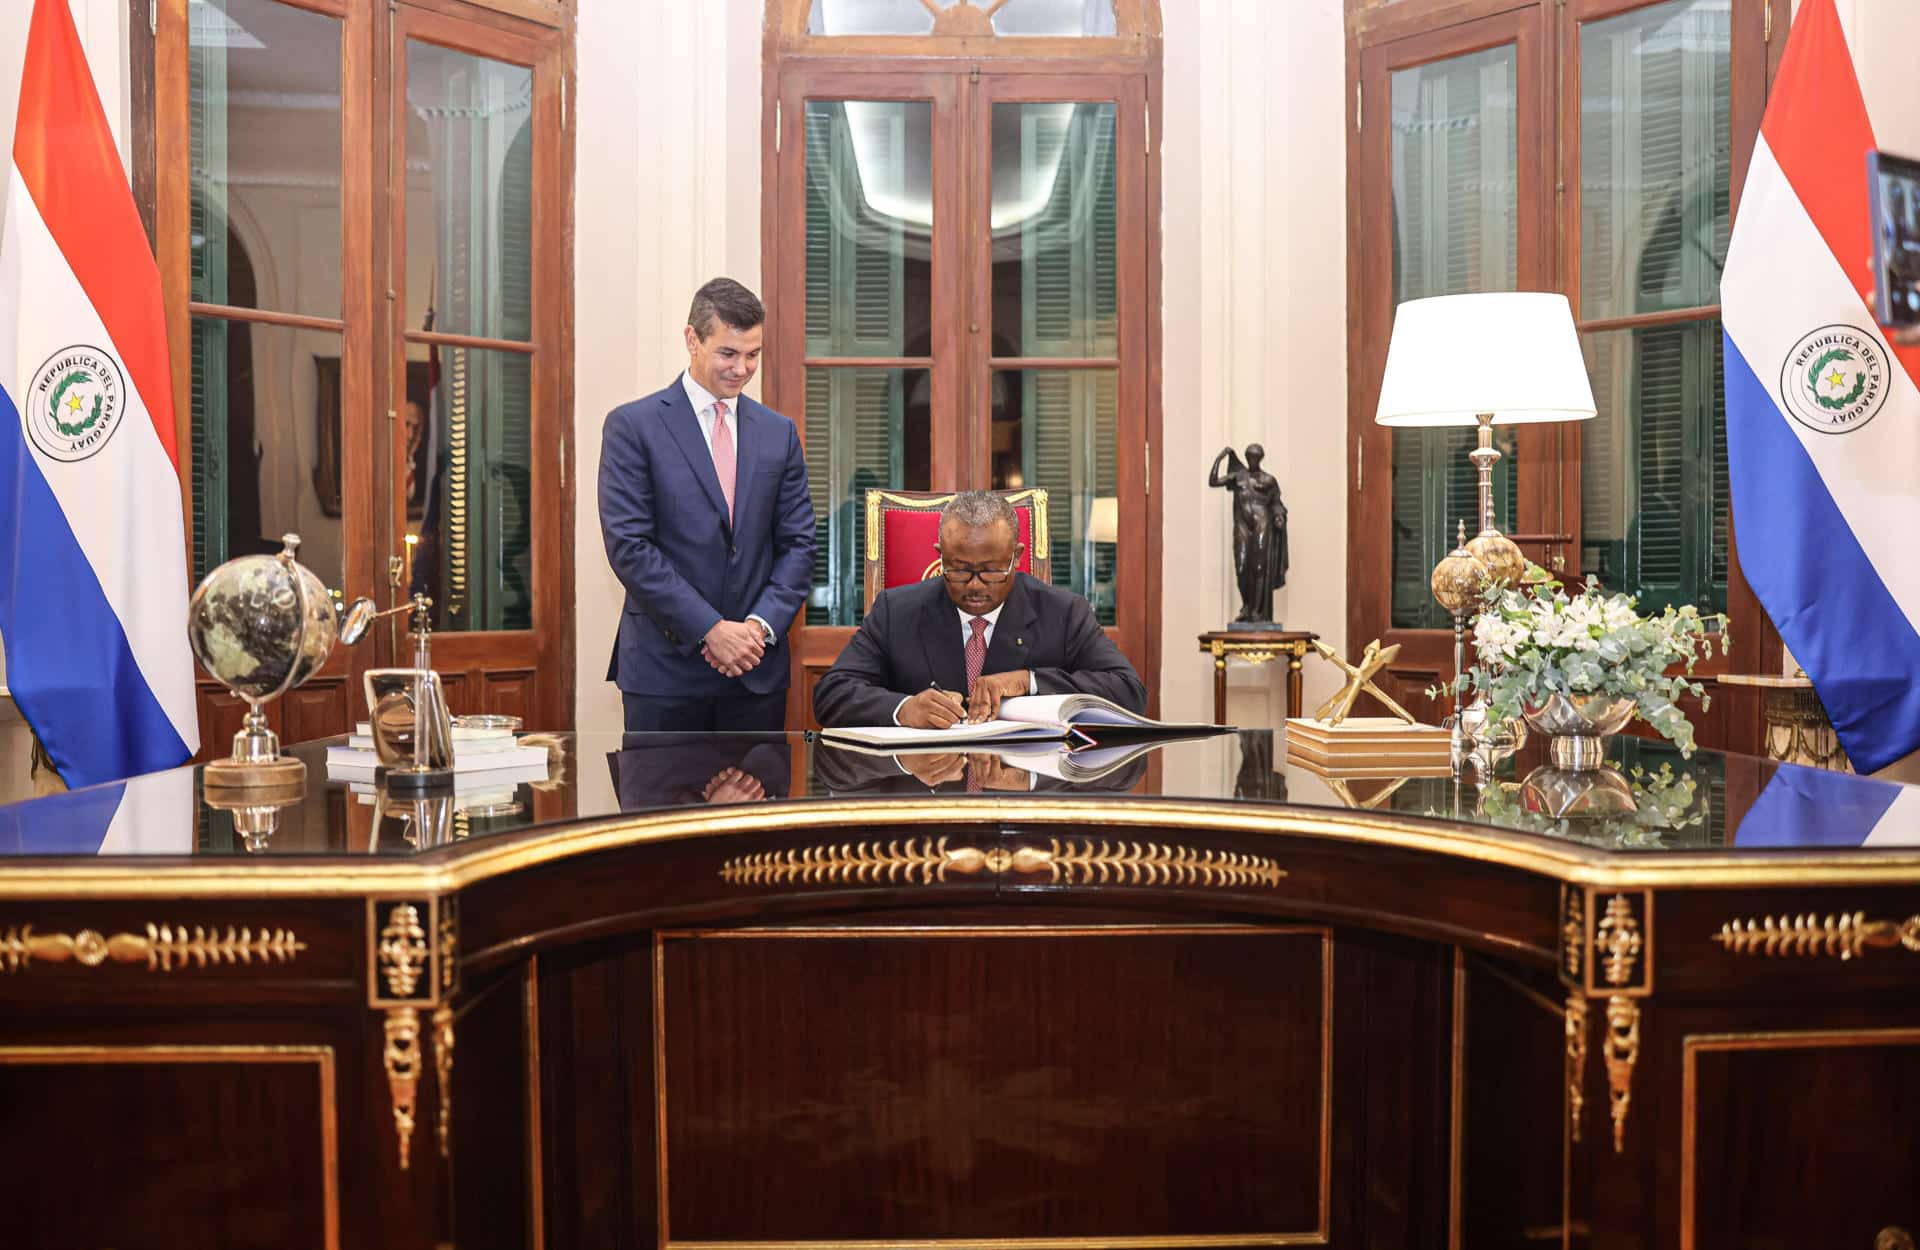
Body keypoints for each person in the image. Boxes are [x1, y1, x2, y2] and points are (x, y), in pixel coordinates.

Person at [599, 278, 816, 732]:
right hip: (664, 674)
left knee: (755, 804)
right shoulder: (633, 427)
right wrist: (712, 630)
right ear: (692, 340)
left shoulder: (780, 433)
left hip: (757, 675)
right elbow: (630, 547)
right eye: (728, 353)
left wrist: (756, 629)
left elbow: (799, 545)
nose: (742, 369)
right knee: (662, 807)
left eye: (753, 354)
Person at [812, 490, 1147, 729]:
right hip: (925, 796)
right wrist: (903, 709)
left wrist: (1028, 681)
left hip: (1024, 800)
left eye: (990, 570)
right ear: (938, 554)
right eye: (958, 569)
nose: (974, 585)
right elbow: (832, 695)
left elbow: (1129, 692)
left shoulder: (1063, 612)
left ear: (1016, 556)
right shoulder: (896, 611)